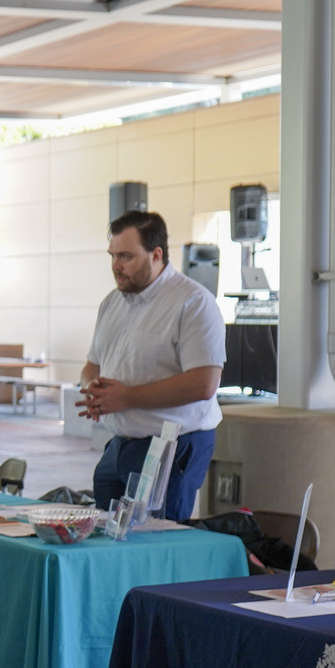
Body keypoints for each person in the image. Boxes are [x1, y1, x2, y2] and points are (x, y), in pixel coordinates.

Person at [81, 211, 225, 522]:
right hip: (121, 443)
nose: (116, 265)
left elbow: (204, 383)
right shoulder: (112, 302)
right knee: (105, 538)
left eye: (126, 256)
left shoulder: (194, 302)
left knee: (155, 542)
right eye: (113, 255)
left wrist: (127, 397)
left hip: (173, 444)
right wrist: (92, 390)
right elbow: (92, 366)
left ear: (156, 255)